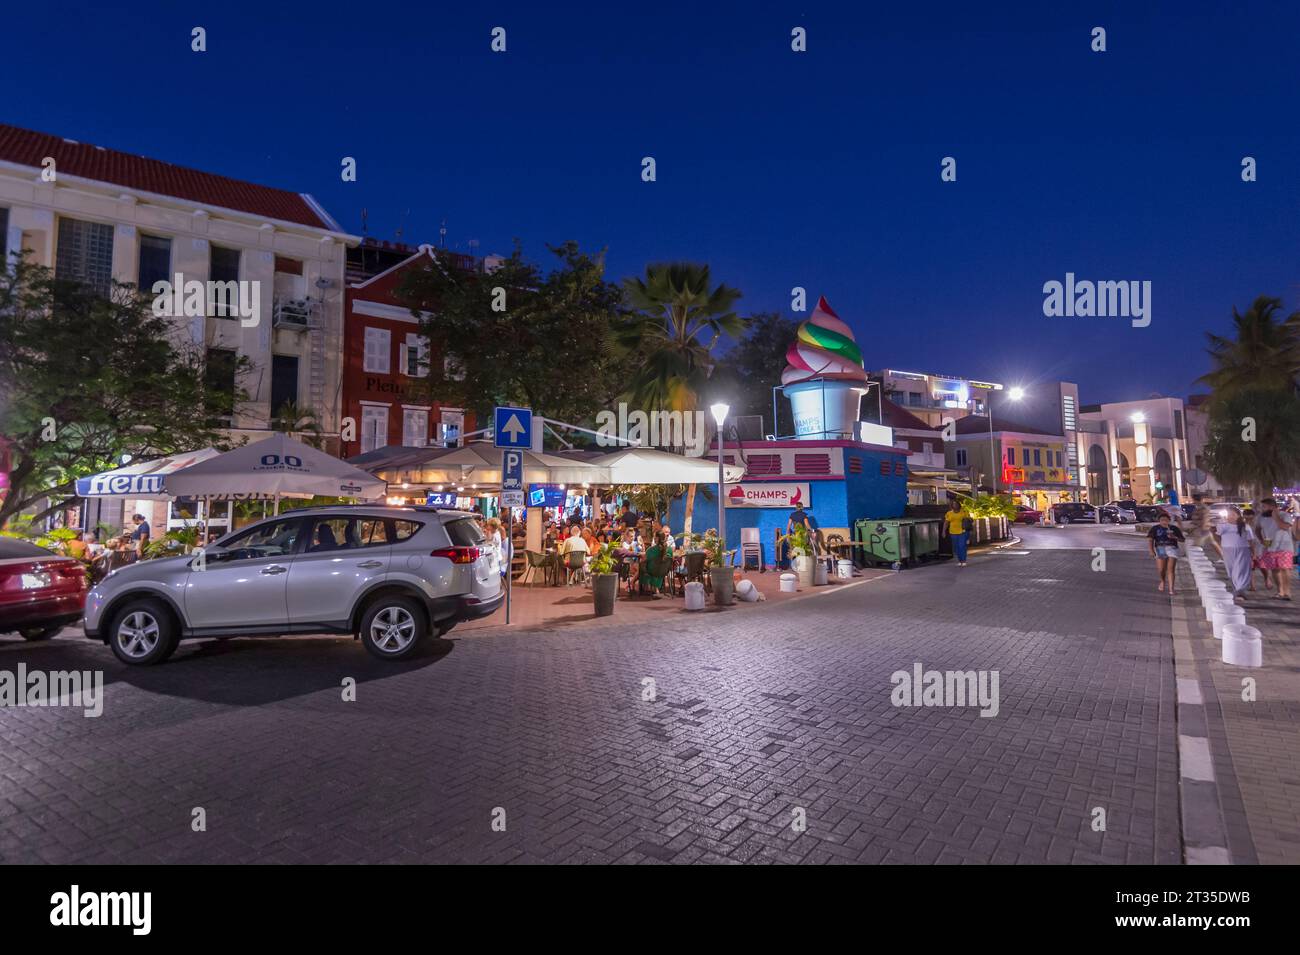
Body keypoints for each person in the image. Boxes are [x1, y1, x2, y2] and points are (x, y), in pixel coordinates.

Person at [1212, 509, 1255, 601]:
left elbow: (1250, 541)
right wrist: (1213, 531)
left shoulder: (1245, 526)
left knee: (1240, 570)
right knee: (1231, 571)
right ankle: (1237, 590)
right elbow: (1217, 538)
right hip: (1227, 550)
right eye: (1229, 514)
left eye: (1232, 514)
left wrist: (1254, 553)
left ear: (1238, 516)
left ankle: (1240, 591)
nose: (1230, 516)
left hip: (1242, 550)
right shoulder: (1223, 526)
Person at [1255, 499, 1293, 601]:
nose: (1261, 509)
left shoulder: (1284, 515)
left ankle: (1287, 593)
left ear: (1273, 507)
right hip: (1270, 546)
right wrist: (1262, 540)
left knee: (1285, 568)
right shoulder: (1261, 517)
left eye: (1264, 507)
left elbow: (1284, 526)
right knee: (1275, 569)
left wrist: (1275, 517)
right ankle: (1280, 592)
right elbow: (1257, 529)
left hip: (1284, 546)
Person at [1147, 511, 1186, 595]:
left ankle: (1171, 589)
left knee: (1171, 569)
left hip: (1172, 548)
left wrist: (1174, 537)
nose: (1164, 521)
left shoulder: (1174, 528)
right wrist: (1151, 550)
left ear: (1169, 520)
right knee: (1161, 570)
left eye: (1166, 520)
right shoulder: (1155, 528)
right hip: (1160, 548)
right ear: (1159, 521)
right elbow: (1150, 539)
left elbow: (1182, 540)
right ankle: (1162, 581)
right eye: (1162, 520)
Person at [941, 497, 972, 567]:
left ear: (959, 505)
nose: (955, 505)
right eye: (953, 504)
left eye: (956, 504)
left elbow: (969, 521)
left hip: (962, 532)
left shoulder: (964, 512)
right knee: (956, 547)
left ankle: (963, 560)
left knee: (962, 546)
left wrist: (969, 520)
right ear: (952, 506)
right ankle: (960, 560)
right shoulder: (949, 513)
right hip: (953, 532)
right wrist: (943, 531)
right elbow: (946, 523)